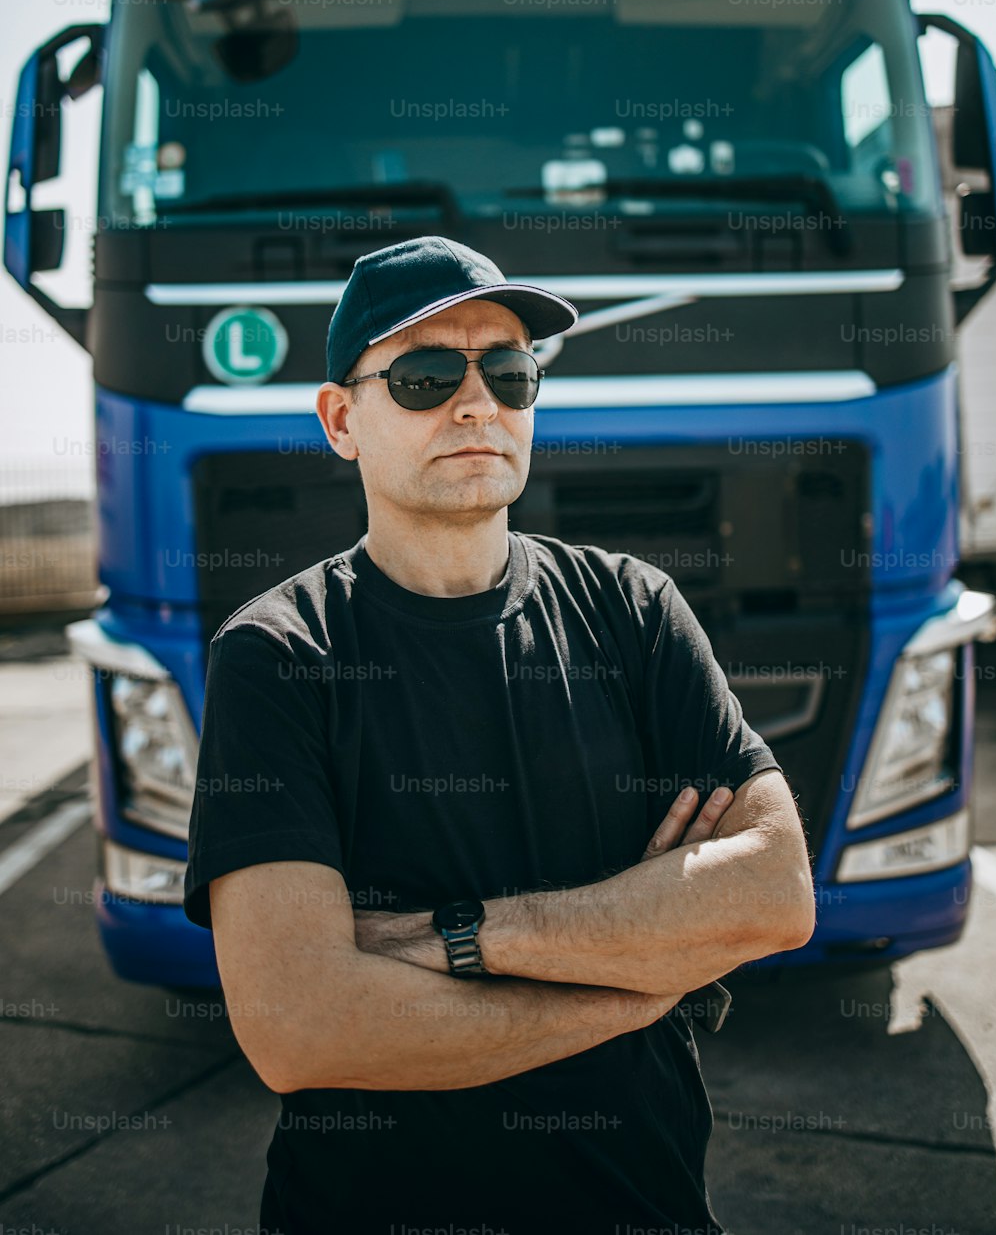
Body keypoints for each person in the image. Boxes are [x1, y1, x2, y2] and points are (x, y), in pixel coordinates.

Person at [183, 235, 815, 1235]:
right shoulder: (277, 658)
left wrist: (461, 937)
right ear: (342, 419)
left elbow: (773, 894)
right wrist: (639, 983)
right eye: (428, 375)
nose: (477, 403)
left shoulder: (632, 609)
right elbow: (301, 1029)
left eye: (510, 371)